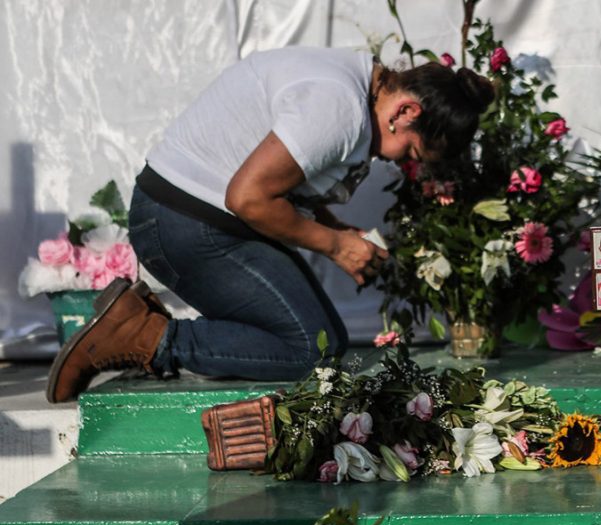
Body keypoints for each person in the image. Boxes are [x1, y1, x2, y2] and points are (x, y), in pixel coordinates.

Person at [47, 48, 494, 403]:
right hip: (181, 224)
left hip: (197, 218)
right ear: (408, 112)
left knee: (326, 342)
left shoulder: (355, 83)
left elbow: (287, 178)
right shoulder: (339, 106)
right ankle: (143, 336)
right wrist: (336, 246)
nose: (396, 161)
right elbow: (248, 197)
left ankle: (141, 324)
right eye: (411, 152)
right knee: (310, 350)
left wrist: (335, 228)